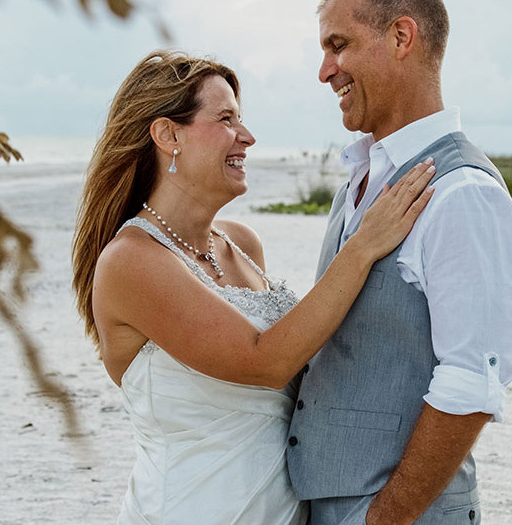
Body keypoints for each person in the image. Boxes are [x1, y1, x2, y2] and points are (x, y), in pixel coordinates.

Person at [71, 49, 436, 525]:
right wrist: (363, 247)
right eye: (226, 119)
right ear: (168, 134)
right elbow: (265, 360)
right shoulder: (131, 262)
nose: (248, 136)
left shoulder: (243, 244)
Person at [286, 0, 512, 524]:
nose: (324, 70)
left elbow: (473, 382)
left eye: (338, 45)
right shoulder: (358, 180)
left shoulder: (463, 193)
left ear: (401, 37)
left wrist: (384, 518)